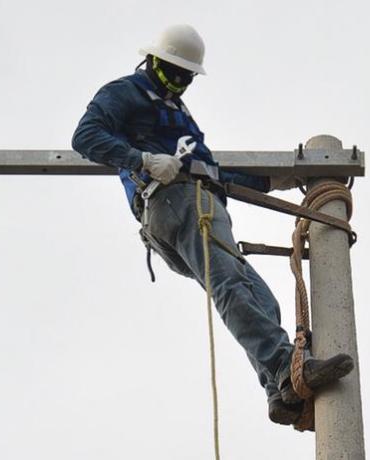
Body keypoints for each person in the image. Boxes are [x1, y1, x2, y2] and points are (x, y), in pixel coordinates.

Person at [71, 24, 354, 426]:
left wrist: (278, 180)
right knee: (231, 286)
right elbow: (85, 137)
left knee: (259, 297)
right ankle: (284, 367)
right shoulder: (127, 92)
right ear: (151, 61)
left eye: (186, 78)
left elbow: (211, 171)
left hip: (197, 201)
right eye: (172, 74)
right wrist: (142, 160)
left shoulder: (177, 114)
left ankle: (281, 390)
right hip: (175, 201)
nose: (179, 84)